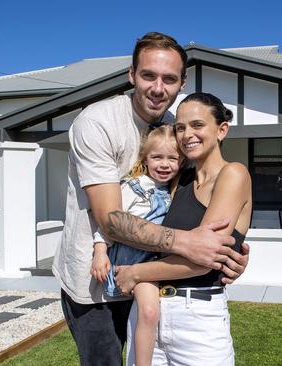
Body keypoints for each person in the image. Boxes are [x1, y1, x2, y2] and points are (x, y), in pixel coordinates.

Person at [52, 32, 250, 366]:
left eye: (169, 79)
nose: (158, 88)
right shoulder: (98, 121)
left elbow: (198, 201)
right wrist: (187, 244)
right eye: (148, 76)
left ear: (182, 83)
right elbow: (109, 218)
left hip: (153, 281)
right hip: (95, 284)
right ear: (131, 75)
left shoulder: (178, 129)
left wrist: (229, 252)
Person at [116, 92, 253, 365]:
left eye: (197, 125)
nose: (187, 134)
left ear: (221, 130)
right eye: (180, 127)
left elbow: (204, 260)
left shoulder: (233, 174)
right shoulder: (178, 179)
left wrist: (134, 272)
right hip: (149, 310)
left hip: (198, 320)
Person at [90, 125, 183, 366]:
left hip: (159, 264)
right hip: (135, 265)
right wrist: (100, 252)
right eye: (157, 157)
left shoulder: (176, 191)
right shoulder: (134, 188)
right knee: (150, 312)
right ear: (145, 158)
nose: (165, 164)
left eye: (172, 158)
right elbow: (110, 223)